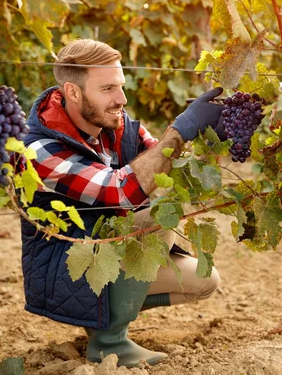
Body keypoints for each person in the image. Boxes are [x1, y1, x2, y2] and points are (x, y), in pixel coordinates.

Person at [20, 39, 225, 368]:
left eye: (121, 86)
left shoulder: (116, 125)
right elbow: (122, 192)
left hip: (107, 253)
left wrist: (204, 139)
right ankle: (108, 343)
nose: (122, 99)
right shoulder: (40, 148)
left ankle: (99, 316)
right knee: (156, 220)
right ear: (73, 91)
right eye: (108, 88)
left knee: (203, 280)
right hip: (66, 271)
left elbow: (162, 163)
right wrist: (180, 129)